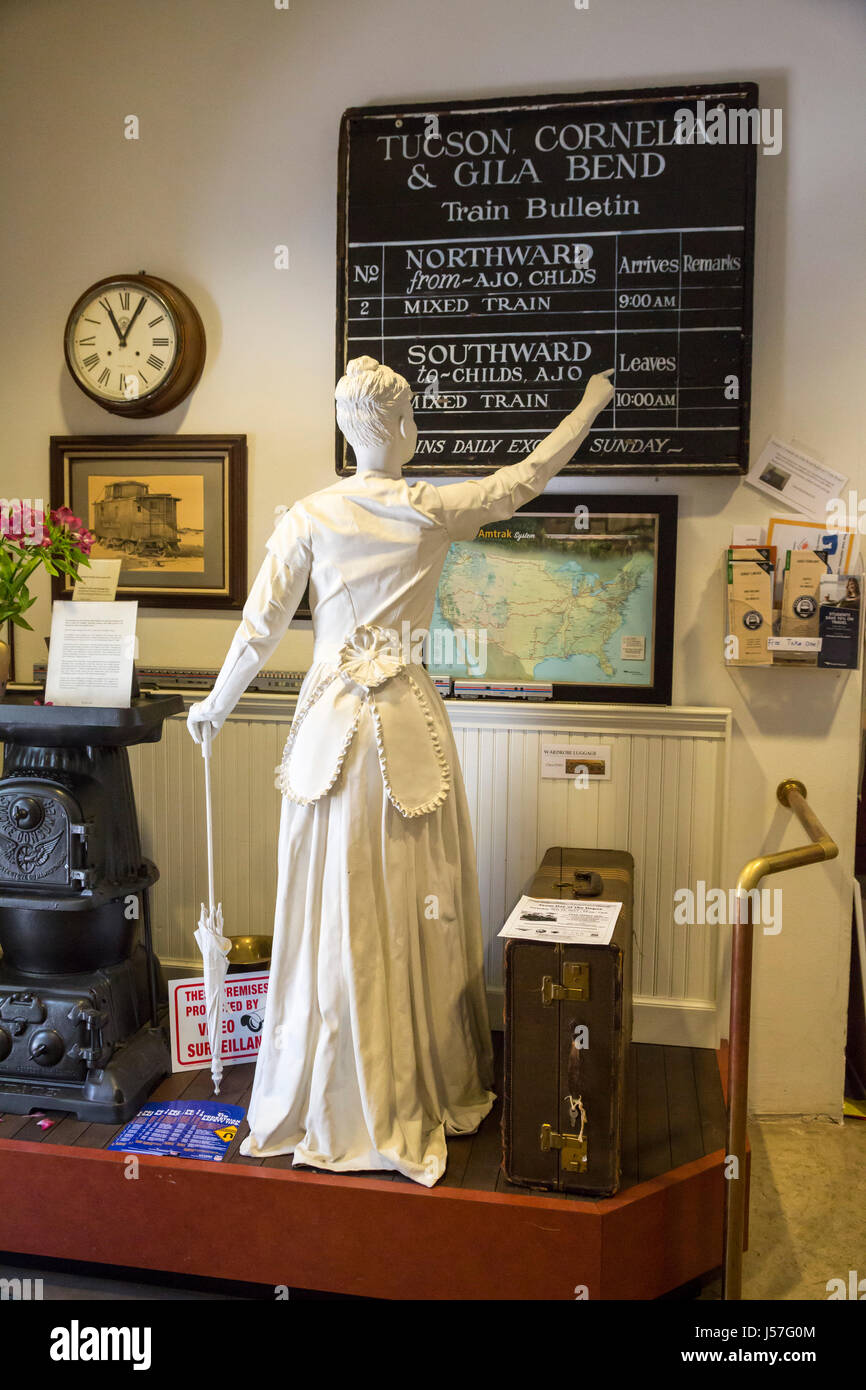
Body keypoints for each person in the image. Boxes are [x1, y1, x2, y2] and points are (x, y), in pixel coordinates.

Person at [187, 357, 614, 1185]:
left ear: (350, 431)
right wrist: (587, 408)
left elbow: (258, 628)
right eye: (413, 421)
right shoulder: (428, 510)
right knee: (416, 903)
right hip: (406, 729)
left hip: (331, 735)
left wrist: (216, 704)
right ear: (396, 429)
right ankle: (410, 1082)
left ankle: (332, 1085)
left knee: (331, 901)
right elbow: (527, 476)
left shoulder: (311, 515)